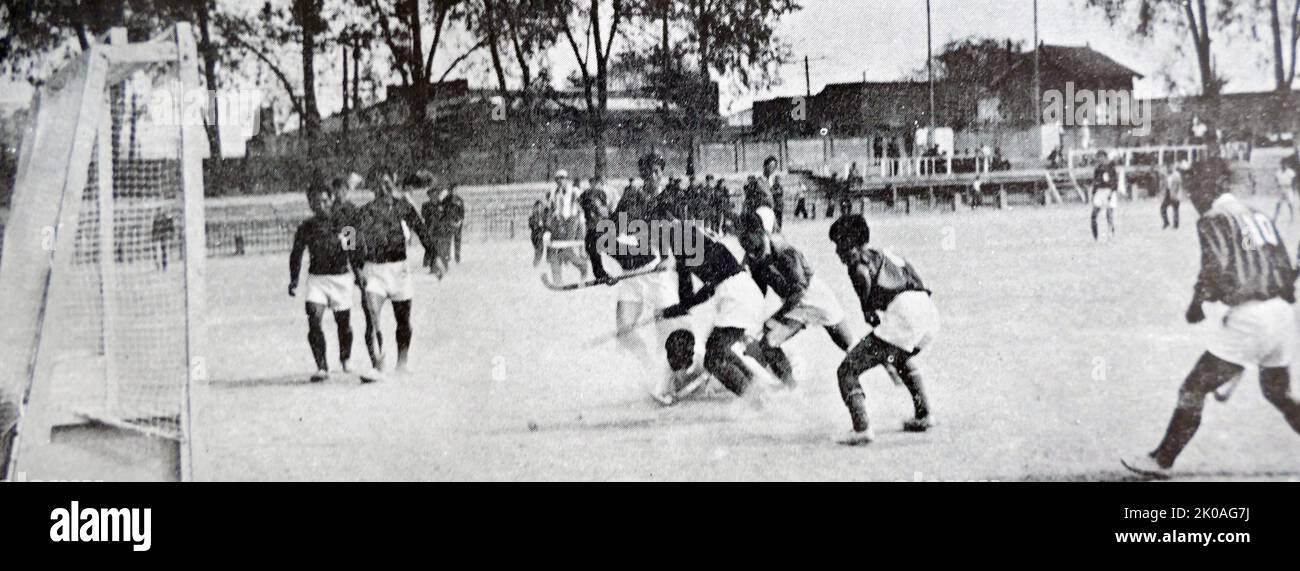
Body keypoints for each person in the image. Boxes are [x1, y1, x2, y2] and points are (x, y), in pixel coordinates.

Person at [1122, 159, 1300, 478]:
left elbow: (1214, 268)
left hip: (1251, 316)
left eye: (1196, 189)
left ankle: (1162, 461)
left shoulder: (1213, 218)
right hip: (1283, 312)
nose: (1193, 197)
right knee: (1277, 392)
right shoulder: (1257, 214)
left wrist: (1196, 304)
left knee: (1193, 388)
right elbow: (1287, 269)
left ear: (1214, 186)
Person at [828, 214, 938, 445]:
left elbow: (870, 313)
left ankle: (861, 429)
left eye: (843, 246)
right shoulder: (887, 254)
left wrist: (879, 346)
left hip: (904, 312)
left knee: (847, 371)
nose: (838, 253)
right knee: (900, 356)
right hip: (928, 312)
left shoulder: (857, 268)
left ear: (857, 245)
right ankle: (924, 414)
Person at [737, 212, 857, 388]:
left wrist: (774, 318)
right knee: (769, 341)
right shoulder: (753, 256)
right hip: (796, 304)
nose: (746, 247)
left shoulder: (784, 251)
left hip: (814, 296)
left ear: (761, 232)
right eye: (742, 242)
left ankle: (895, 371)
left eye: (749, 241)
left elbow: (799, 291)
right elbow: (758, 289)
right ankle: (790, 388)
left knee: (849, 344)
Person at [656, 223, 768, 406]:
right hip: (744, 292)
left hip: (736, 297)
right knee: (720, 350)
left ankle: (754, 399)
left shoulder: (679, 241)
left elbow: (686, 298)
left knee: (714, 359)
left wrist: (669, 310)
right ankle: (757, 387)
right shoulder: (693, 233)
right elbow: (708, 290)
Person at [356, 167, 440, 376]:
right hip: (374, 269)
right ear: (371, 188)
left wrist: (435, 256)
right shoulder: (364, 211)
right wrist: (354, 263)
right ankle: (377, 365)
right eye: (378, 185)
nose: (383, 189)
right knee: (372, 316)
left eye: (386, 184)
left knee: (403, 319)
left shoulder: (403, 206)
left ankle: (402, 362)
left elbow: (421, 229)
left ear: (393, 182)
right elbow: (349, 234)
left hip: (399, 270)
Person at [289, 181, 363, 382]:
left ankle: (345, 357)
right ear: (310, 204)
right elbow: (296, 254)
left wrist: (359, 274)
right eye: (315, 201)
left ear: (331, 200)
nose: (320, 204)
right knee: (313, 317)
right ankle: (321, 367)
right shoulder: (306, 227)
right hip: (317, 280)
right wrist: (294, 279)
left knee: (343, 323)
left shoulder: (344, 224)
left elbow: (353, 251)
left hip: (340, 278)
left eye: (324, 200)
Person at [1090, 150, 1119, 241]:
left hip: (1109, 191)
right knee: (1094, 215)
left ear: (1105, 157)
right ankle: (1096, 238)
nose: (1099, 160)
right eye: (1098, 158)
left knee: (1109, 214)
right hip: (1100, 192)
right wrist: (1093, 193)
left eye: (1101, 157)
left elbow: (1115, 181)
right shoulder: (1097, 168)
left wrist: (1112, 192)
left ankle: (1111, 235)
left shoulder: (1111, 167)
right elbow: (1095, 182)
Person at [445, 185, 466, 263]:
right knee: (448, 240)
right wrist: (449, 221)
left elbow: (462, 212)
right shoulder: (445, 200)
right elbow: (444, 212)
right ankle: (447, 256)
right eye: (453, 190)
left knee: (457, 240)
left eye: (455, 190)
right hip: (448, 223)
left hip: (458, 223)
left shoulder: (460, 200)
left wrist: (459, 221)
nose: (454, 191)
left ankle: (457, 257)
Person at [1161, 163, 1184, 230]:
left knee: (1175, 210)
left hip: (1175, 193)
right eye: (1167, 167)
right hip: (1168, 193)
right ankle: (1166, 222)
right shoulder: (1166, 175)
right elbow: (1165, 185)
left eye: (1170, 167)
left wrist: (1178, 195)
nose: (1168, 168)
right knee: (1162, 209)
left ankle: (1175, 225)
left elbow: (1180, 186)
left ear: (1172, 167)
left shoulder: (1176, 175)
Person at [1273, 160, 1296, 225]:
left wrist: (1293, 190)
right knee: (1278, 204)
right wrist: (1277, 187)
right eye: (1282, 164)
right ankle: (1275, 218)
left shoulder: (1290, 172)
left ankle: (1292, 218)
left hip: (1288, 189)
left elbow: (1293, 182)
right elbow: (1276, 180)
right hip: (1281, 189)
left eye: (1285, 164)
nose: (1283, 165)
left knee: (1290, 204)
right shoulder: (1278, 172)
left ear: (1287, 164)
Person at [528, 199, 548, 267]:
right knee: (539, 249)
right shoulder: (534, 215)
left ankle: (536, 263)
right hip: (536, 234)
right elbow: (531, 225)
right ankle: (536, 264)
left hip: (537, 234)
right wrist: (538, 225)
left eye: (541, 207)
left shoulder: (541, 214)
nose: (540, 208)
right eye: (538, 207)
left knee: (538, 250)